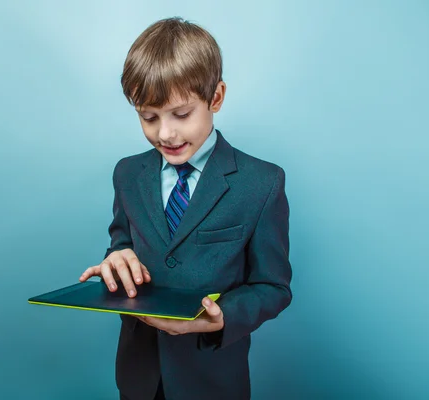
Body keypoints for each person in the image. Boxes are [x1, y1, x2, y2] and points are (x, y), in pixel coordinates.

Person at [79, 17, 292, 400]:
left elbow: (273, 286)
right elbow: (122, 242)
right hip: (139, 376)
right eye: (148, 117)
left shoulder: (262, 183)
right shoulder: (127, 173)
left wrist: (219, 318)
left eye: (181, 114)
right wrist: (117, 257)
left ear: (216, 97)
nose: (165, 134)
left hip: (212, 379)